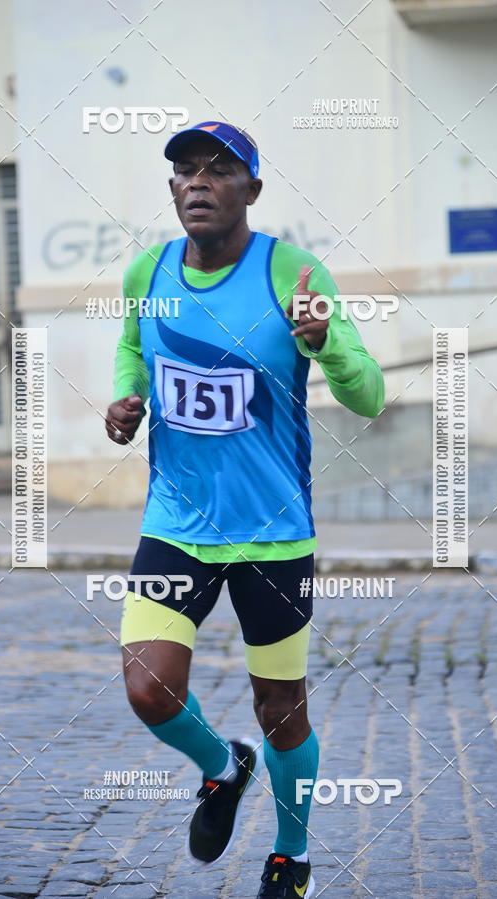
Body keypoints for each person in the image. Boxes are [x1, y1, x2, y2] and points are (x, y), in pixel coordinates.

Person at [104, 121, 384, 898]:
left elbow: (370, 394)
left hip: (273, 533)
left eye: (220, 170)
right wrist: (126, 398)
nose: (199, 182)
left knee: (281, 708)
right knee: (146, 688)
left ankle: (292, 856)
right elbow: (134, 345)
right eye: (186, 172)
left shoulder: (293, 273)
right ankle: (223, 769)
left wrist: (326, 344)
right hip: (177, 525)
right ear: (172, 190)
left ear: (251, 191)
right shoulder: (147, 273)